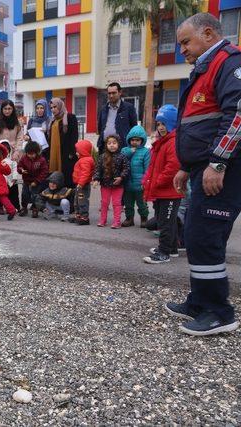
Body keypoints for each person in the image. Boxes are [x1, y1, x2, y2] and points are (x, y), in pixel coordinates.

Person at [168, 13, 241, 335]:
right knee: (199, 235)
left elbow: (237, 117)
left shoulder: (227, 63)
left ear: (208, 34)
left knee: (205, 236)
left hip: (224, 170)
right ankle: (200, 300)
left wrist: (218, 163)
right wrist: (187, 166)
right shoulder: (205, 69)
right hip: (205, 168)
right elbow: (200, 122)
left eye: (186, 42)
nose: (182, 49)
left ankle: (219, 312)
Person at [142, 105, 183, 263]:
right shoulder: (162, 142)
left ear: (172, 123)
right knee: (166, 220)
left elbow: (172, 168)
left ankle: (164, 252)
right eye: (158, 124)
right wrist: (148, 181)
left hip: (170, 192)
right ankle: (171, 248)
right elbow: (154, 166)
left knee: (166, 222)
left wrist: (156, 182)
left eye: (164, 124)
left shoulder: (172, 142)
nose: (160, 127)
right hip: (162, 192)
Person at [93, 135, 130, 228]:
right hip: (105, 185)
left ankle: (117, 222)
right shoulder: (102, 157)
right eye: (109, 143)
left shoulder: (122, 157)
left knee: (117, 203)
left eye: (114, 143)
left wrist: (121, 177)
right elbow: (98, 169)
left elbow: (126, 168)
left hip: (118, 185)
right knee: (104, 203)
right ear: (106, 145)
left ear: (118, 144)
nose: (112, 145)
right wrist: (96, 179)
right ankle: (102, 220)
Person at [121, 125, 150, 227]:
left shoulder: (145, 152)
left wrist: (145, 182)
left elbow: (147, 168)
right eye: (132, 140)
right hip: (127, 184)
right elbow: (120, 159)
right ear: (129, 140)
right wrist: (130, 151)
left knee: (142, 204)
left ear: (142, 140)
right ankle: (129, 219)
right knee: (128, 204)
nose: (134, 142)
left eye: (137, 140)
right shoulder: (125, 150)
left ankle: (144, 218)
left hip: (140, 184)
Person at [96, 82, 138, 153]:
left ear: (120, 92)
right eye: (109, 93)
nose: (111, 96)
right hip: (105, 147)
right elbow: (100, 128)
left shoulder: (129, 108)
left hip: (121, 148)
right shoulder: (103, 109)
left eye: (114, 93)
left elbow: (133, 128)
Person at [47, 97, 79, 188]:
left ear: (60, 106)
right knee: (55, 177)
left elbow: (74, 135)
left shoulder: (70, 117)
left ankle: (68, 198)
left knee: (67, 176)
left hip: (66, 152)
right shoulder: (52, 121)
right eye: (51, 108)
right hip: (54, 153)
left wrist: (72, 152)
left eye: (55, 107)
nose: (53, 109)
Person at [17, 141, 49, 218]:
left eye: (32, 154)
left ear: (37, 152)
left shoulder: (41, 160)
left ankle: (35, 208)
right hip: (26, 181)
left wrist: (37, 181)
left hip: (37, 182)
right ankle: (24, 208)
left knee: (35, 195)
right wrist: (21, 170)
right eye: (28, 154)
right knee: (24, 194)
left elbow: (44, 172)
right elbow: (19, 166)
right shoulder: (24, 158)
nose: (30, 156)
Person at [71, 139, 95, 225]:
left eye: (78, 151)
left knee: (82, 201)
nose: (76, 153)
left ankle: (84, 217)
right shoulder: (83, 159)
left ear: (83, 151)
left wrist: (81, 183)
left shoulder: (86, 160)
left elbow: (85, 173)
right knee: (77, 200)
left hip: (83, 185)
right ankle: (78, 215)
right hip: (79, 185)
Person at [0, 140, 20, 211]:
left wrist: (14, 178)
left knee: (13, 194)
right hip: (1, 181)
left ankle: (15, 207)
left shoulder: (12, 160)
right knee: (0, 195)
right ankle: (0, 207)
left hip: (11, 181)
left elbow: (15, 170)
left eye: (7, 150)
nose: (5, 152)